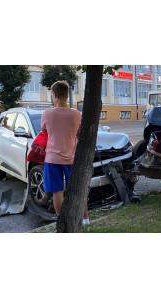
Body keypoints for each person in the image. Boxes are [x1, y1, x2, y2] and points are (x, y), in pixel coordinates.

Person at [41, 81, 90, 225]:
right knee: (78, 190)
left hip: (52, 159)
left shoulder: (47, 113)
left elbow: (44, 130)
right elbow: (79, 133)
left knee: (57, 191)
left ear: (54, 94)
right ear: (67, 95)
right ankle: (86, 220)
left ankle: (62, 221)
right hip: (72, 159)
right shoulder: (76, 114)